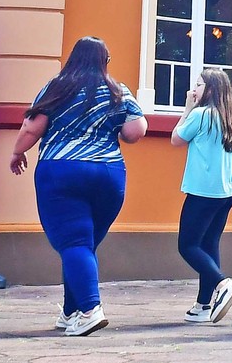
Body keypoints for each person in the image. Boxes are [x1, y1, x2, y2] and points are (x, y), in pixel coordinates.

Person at [10, 38, 147, 337]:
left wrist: (17, 152)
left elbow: (32, 127)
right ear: (104, 61)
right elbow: (135, 131)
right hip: (109, 174)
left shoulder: (57, 87)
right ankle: (71, 311)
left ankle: (89, 310)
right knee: (83, 244)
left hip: (62, 170)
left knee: (74, 243)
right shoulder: (117, 90)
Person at [173, 66, 232, 325]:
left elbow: (176, 139)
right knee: (209, 243)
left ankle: (222, 284)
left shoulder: (200, 115)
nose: (194, 89)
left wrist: (187, 109)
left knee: (187, 245)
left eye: (199, 85)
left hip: (202, 191)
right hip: (227, 192)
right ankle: (203, 305)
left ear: (211, 89)